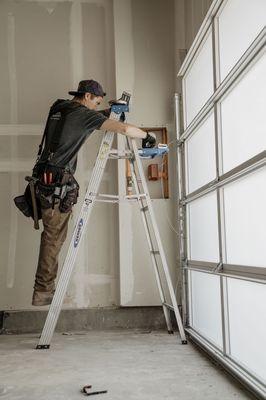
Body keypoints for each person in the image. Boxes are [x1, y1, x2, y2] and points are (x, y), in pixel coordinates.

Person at [31, 79, 156, 306]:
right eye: (96, 102)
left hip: (43, 179)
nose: (96, 107)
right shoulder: (84, 115)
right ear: (87, 96)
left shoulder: (60, 107)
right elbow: (126, 130)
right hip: (57, 185)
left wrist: (110, 111)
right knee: (53, 239)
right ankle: (43, 291)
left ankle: (43, 289)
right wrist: (148, 137)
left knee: (51, 237)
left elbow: (85, 119)